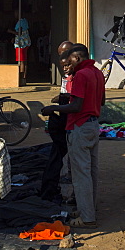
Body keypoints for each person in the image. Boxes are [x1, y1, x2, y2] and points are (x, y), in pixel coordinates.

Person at [41, 44, 104, 229]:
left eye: (70, 61)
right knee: (91, 171)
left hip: (80, 125)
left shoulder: (81, 75)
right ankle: (88, 210)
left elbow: (76, 106)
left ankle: (87, 217)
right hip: (93, 124)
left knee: (81, 174)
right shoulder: (97, 73)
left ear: (77, 58)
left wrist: (53, 108)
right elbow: (101, 101)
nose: (68, 65)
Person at [40, 41, 74, 203]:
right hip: (63, 119)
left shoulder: (78, 76)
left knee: (63, 155)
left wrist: (55, 107)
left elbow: (74, 102)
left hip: (69, 121)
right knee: (58, 155)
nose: (64, 64)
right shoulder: (68, 75)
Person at [13, 15, 31, 83]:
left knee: (21, 61)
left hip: (21, 43)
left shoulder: (20, 22)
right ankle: (24, 78)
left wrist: (10, 31)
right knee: (24, 61)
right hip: (26, 42)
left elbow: (19, 33)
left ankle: (20, 78)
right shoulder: (25, 21)